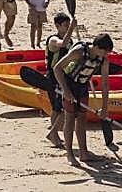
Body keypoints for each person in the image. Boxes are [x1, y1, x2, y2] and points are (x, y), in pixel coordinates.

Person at [53, 33, 114, 166]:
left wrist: (105, 108)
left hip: (82, 86)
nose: (105, 55)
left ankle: (83, 153)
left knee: (81, 118)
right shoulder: (78, 52)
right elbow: (57, 69)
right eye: (104, 51)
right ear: (96, 47)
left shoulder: (104, 60)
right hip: (68, 84)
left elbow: (105, 84)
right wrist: (66, 91)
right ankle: (69, 153)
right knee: (69, 118)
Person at [44, 13, 77, 147]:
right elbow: (62, 44)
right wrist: (72, 28)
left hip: (65, 75)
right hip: (53, 76)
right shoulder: (53, 40)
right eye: (65, 26)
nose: (68, 27)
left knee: (65, 107)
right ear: (57, 26)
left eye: (69, 25)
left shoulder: (70, 40)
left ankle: (53, 132)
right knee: (57, 108)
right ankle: (54, 134)